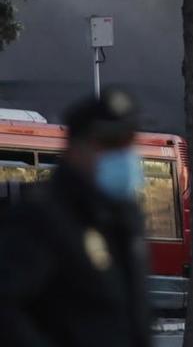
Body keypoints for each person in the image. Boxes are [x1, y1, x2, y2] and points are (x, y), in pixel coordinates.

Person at [0, 89, 151, 347]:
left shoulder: (125, 216)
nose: (122, 154)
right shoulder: (40, 216)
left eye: (127, 142)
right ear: (75, 148)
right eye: (109, 143)